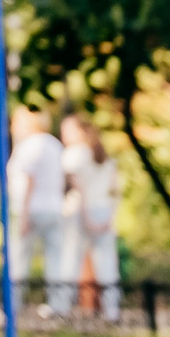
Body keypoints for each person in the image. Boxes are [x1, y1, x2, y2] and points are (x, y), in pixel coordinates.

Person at [7, 105, 72, 315]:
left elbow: (29, 181)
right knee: (55, 258)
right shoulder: (55, 145)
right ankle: (59, 305)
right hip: (53, 208)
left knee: (19, 258)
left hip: (32, 209)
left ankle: (14, 305)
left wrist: (24, 214)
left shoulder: (28, 146)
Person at [60, 114, 123, 321]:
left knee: (71, 259)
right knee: (107, 263)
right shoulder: (104, 156)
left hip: (83, 212)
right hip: (104, 211)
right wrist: (109, 217)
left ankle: (61, 308)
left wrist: (86, 216)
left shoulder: (74, 155)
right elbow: (115, 190)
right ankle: (112, 311)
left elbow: (80, 189)